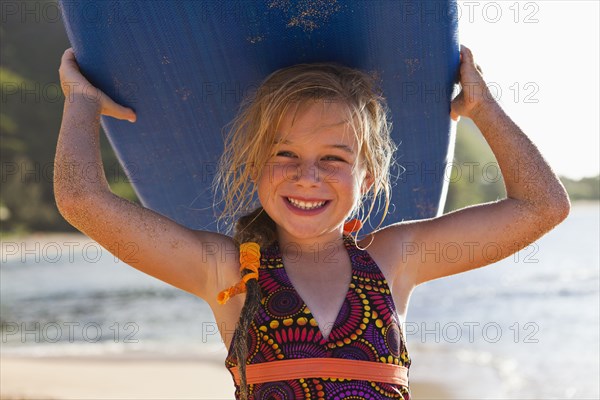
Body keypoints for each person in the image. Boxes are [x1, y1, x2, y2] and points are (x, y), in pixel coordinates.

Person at [55, 45, 570, 399]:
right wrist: (81, 103)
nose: (307, 177)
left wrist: (483, 107)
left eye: (334, 159)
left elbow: (543, 206)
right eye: (284, 154)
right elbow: (81, 199)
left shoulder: (395, 259)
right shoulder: (224, 270)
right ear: (254, 168)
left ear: (367, 179)